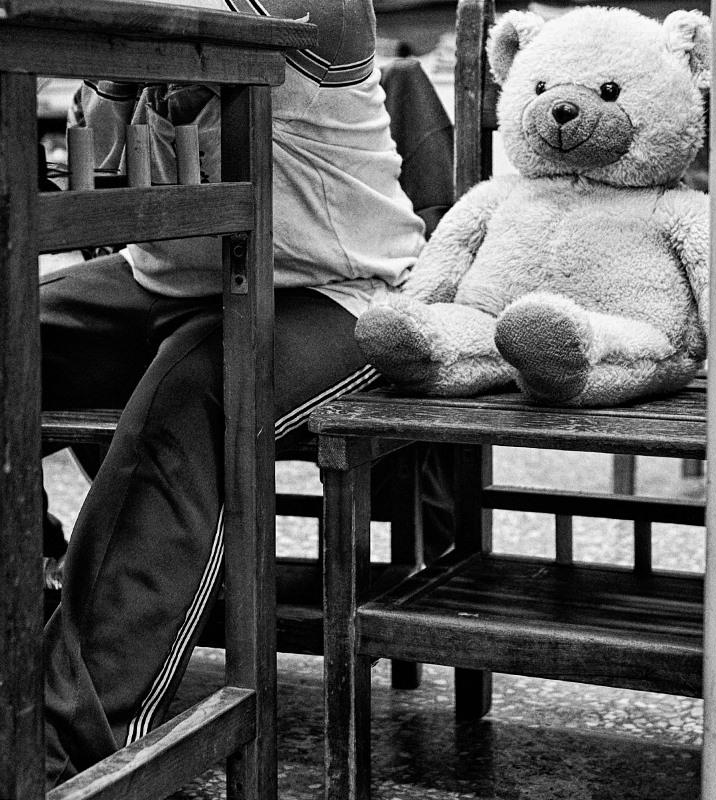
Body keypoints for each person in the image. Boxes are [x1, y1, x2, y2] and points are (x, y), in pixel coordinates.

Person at [40, 0, 451, 785]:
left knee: (194, 392)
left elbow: (164, 24)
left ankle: (67, 743)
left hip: (339, 294)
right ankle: (38, 600)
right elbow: (105, 139)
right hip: (161, 278)